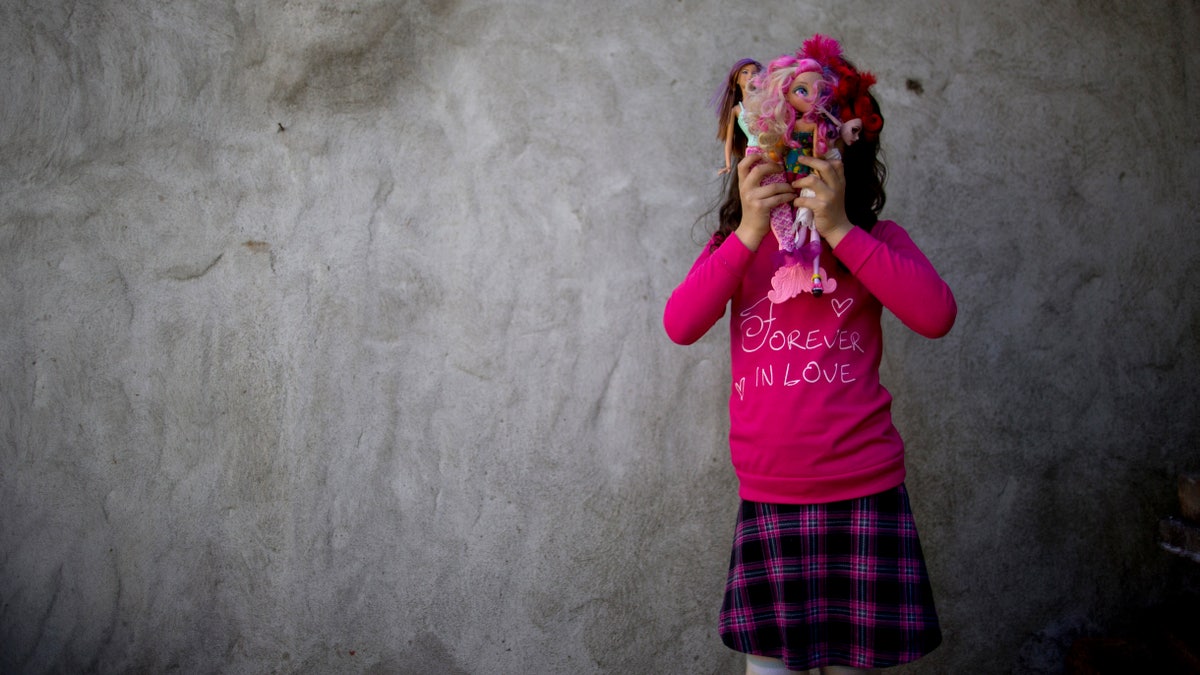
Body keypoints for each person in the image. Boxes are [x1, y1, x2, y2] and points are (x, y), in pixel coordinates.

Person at [664, 35, 956, 675]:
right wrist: (745, 230)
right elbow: (681, 325)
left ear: (848, 151)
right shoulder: (736, 247)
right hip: (772, 496)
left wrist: (840, 231)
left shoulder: (873, 241)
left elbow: (936, 316)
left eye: (814, 145)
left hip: (866, 492)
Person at [714, 58, 764, 176]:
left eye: (754, 73)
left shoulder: (764, 103)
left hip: (771, 149)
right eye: (745, 72)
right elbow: (729, 140)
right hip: (753, 150)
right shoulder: (736, 110)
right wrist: (728, 164)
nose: (750, 76)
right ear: (736, 79)